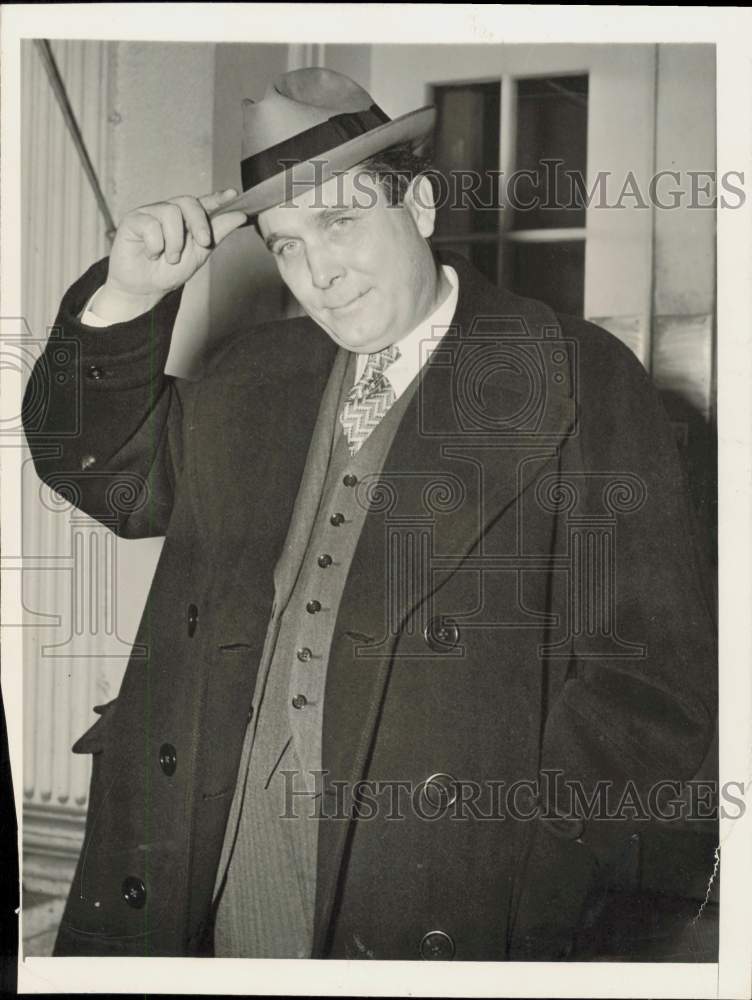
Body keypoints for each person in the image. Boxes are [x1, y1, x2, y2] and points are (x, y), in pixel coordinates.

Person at [24, 67, 717, 961]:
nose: (318, 273)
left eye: (341, 221)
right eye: (283, 244)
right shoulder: (251, 377)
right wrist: (126, 298)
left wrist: (536, 869)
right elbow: (100, 472)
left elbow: (649, 689)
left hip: (439, 880)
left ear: (420, 206)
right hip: (212, 843)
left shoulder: (578, 379)